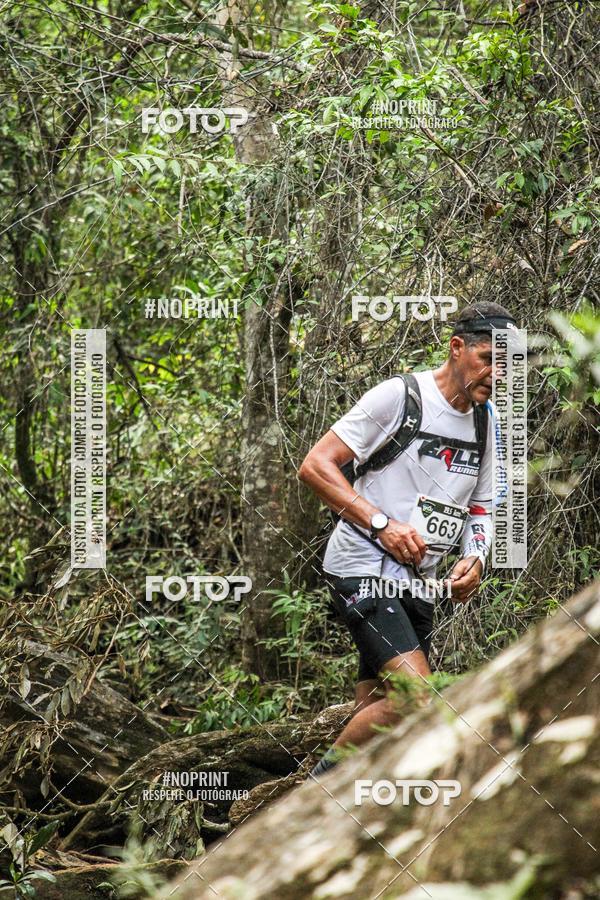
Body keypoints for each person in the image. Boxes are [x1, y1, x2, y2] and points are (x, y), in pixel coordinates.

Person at [298, 301, 516, 778]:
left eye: (506, 365)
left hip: (421, 582)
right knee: (416, 697)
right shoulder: (399, 397)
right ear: (456, 348)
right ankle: (311, 797)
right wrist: (382, 524)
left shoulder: (487, 421)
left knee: (381, 711)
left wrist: (475, 557)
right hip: (363, 566)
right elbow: (316, 466)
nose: (496, 373)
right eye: (487, 359)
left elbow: (482, 505)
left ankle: (346, 826)